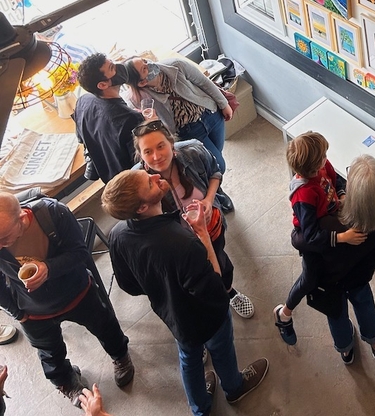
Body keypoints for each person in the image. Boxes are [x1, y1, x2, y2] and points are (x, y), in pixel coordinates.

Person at [102, 169, 268, 416]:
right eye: (150, 183)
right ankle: (234, 387)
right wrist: (202, 233)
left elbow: (128, 284)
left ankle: (200, 407)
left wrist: (162, 288)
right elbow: (216, 286)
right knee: (221, 348)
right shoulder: (183, 242)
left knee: (189, 358)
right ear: (142, 207)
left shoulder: (117, 235)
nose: (156, 177)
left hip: (174, 316)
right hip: (208, 315)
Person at [0, 192, 134, 405]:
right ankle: (67, 383)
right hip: (33, 312)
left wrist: (49, 268)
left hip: (78, 292)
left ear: (22, 218)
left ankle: (120, 356)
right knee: (49, 354)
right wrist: (18, 314)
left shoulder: (53, 213)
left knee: (105, 326)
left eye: (3, 238)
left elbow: (80, 252)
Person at [132, 119, 254, 319]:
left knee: (220, 261)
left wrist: (208, 200)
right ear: (141, 155)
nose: (156, 156)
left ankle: (229, 292)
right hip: (179, 245)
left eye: (161, 146)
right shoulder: (138, 181)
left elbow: (215, 173)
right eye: (148, 151)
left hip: (211, 228)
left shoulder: (193, 151)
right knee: (192, 279)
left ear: (171, 143)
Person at [273, 132, 365, 345]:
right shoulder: (304, 194)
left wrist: (341, 194)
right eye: (323, 156)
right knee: (310, 279)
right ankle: (284, 314)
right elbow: (311, 236)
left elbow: (336, 179)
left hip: (329, 220)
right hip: (313, 237)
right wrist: (342, 237)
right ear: (312, 167)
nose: (326, 158)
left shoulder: (322, 166)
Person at [306, 155, 375, 364]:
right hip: (360, 276)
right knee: (365, 304)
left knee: (336, 314)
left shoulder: (330, 224)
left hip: (332, 281)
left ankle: (345, 349)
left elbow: (303, 240)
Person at [123, 56, 235, 183]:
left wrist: (224, 104)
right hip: (189, 131)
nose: (149, 64)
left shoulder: (176, 65)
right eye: (144, 68)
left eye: (145, 61)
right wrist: (152, 120)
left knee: (216, 154)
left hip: (210, 114)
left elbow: (203, 82)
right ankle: (213, 188)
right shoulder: (136, 99)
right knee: (219, 166)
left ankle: (212, 185)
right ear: (142, 83)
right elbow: (145, 126)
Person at [73, 55, 143, 182]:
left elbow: (81, 138)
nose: (118, 66)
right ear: (102, 85)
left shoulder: (83, 101)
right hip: (131, 181)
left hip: (110, 178)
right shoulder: (131, 119)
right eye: (112, 67)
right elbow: (142, 162)